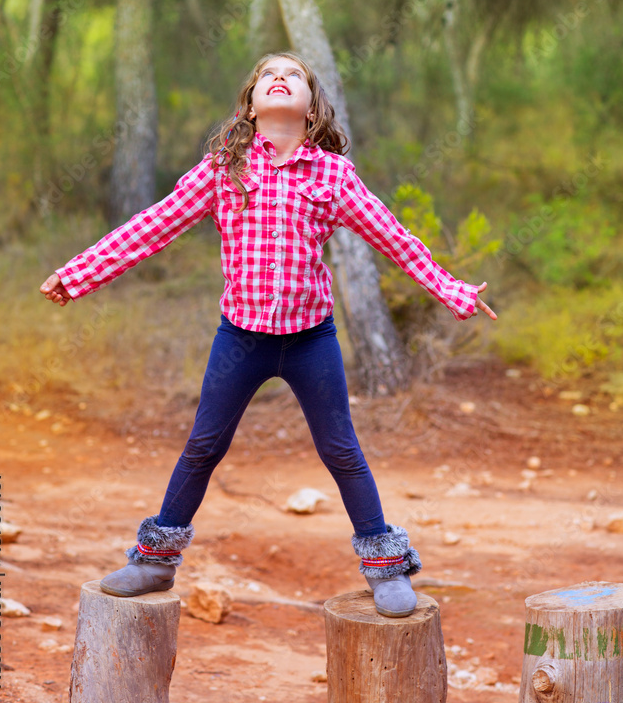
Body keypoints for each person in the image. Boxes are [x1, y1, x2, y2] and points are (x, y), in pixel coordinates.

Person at [40, 51, 497, 618]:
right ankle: (154, 561)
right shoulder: (221, 171)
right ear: (251, 106)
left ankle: (386, 567)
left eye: (293, 75)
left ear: (312, 108)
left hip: (311, 340)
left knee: (341, 449)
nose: (280, 79)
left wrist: (453, 291)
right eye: (268, 76)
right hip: (241, 340)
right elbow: (151, 226)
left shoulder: (333, 175)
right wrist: (79, 274)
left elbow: (395, 238)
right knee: (204, 445)